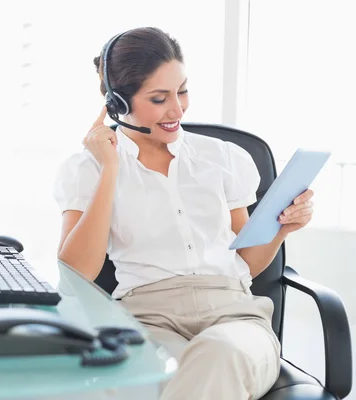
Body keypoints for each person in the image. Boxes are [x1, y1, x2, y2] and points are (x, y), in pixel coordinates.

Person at [53, 27, 314, 399]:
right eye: (160, 98)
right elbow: (76, 275)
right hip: (146, 320)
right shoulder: (88, 169)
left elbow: (246, 264)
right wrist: (111, 169)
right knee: (151, 378)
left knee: (220, 354)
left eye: (183, 90)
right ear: (118, 105)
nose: (178, 109)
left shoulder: (222, 157)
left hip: (234, 316)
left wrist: (283, 229)